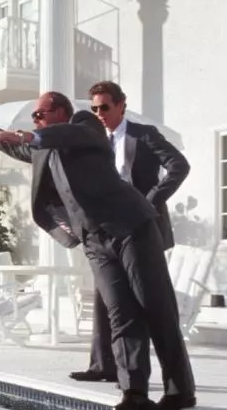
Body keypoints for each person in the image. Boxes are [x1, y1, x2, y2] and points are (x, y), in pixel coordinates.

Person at [0, 92, 196, 410]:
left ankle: (179, 390)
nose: (35, 120)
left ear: (61, 112)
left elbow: (62, 134)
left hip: (130, 227)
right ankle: (134, 393)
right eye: (34, 117)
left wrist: (27, 136)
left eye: (40, 114)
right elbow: (16, 147)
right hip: (94, 240)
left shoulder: (86, 127)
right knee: (120, 313)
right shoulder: (44, 149)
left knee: (154, 306)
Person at [70, 81, 190, 384]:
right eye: (94, 109)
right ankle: (103, 365)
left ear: (121, 105)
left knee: (149, 301)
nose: (99, 114)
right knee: (105, 297)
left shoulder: (143, 134)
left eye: (104, 107)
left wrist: (150, 201)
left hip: (141, 227)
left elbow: (179, 165)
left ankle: (171, 380)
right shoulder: (94, 141)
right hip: (106, 230)